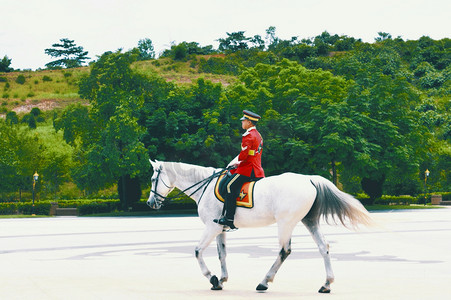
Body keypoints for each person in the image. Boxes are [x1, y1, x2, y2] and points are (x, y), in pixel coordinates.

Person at [214, 110, 265, 229]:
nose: (242, 122)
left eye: (244, 121)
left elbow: (244, 154)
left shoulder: (249, 135)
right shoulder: (258, 134)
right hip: (256, 167)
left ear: (249, 122)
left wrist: (238, 162)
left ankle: (229, 219)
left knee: (229, 186)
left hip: (248, 169)